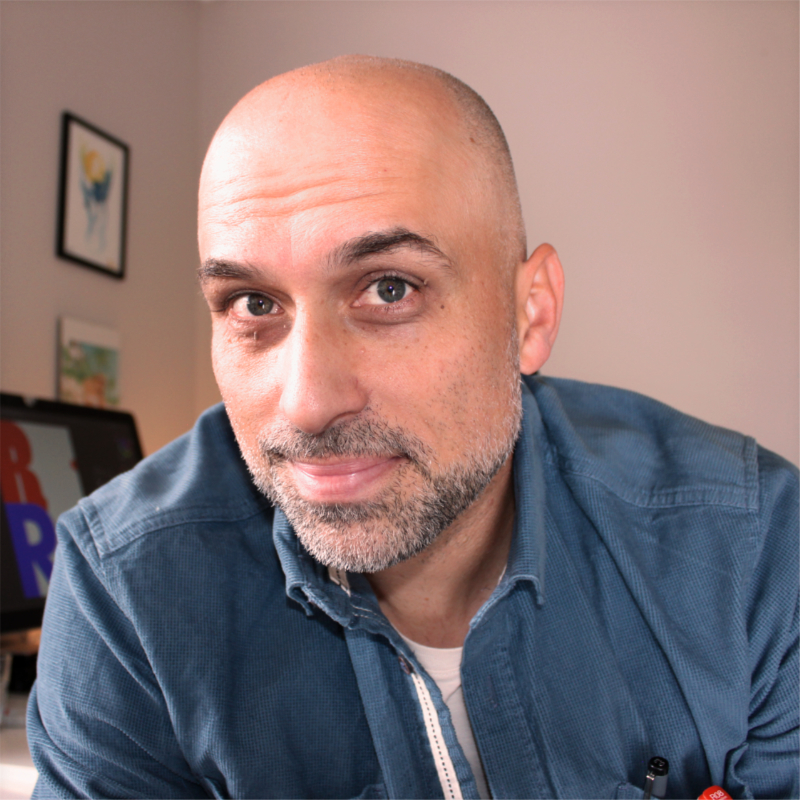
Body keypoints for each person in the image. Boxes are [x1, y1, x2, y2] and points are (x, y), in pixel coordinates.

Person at [28, 56, 797, 799]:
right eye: (253, 304)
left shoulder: (750, 548)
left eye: (389, 289)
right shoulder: (130, 593)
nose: (306, 403)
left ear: (530, 315)